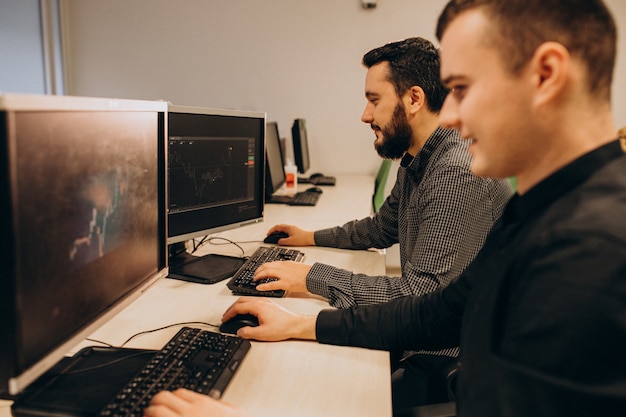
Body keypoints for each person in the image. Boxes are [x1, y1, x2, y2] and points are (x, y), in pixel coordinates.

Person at [144, 0, 626, 416]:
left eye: (462, 89)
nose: (451, 115)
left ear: (546, 75)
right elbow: (434, 314)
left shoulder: (589, 255)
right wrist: (305, 323)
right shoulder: (542, 209)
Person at [257, 36, 512, 408]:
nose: (365, 115)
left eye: (374, 100)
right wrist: (309, 236)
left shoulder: (455, 171)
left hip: (450, 357)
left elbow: (418, 298)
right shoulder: (418, 157)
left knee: (315, 392)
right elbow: (382, 227)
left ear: (413, 99)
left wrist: (312, 277)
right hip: (424, 335)